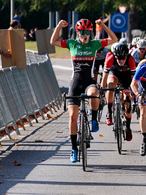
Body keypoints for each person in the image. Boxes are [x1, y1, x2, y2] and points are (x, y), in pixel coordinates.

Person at [50, 18, 118, 163]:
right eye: (82, 32)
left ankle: (93, 119)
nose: (85, 35)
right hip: (75, 82)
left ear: (90, 33)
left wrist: (103, 25)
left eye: (87, 32)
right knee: (73, 117)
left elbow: (114, 39)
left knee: (94, 94)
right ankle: (74, 149)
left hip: (89, 81)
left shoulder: (94, 44)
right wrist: (58, 26)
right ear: (78, 32)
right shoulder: (71, 43)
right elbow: (53, 41)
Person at [101, 43, 136, 141]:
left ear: (126, 56)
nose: (121, 60)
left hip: (126, 76)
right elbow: (104, 77)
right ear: (115, 56)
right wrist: (102, 89)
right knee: (110, 85)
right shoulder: (110, 58)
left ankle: (128, 128)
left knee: (128, 100)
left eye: (123, 58)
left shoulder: (131, 60)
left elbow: (134, 80)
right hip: (114, 73)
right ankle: (109, 113)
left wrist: (134, 92)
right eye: (118, 58)